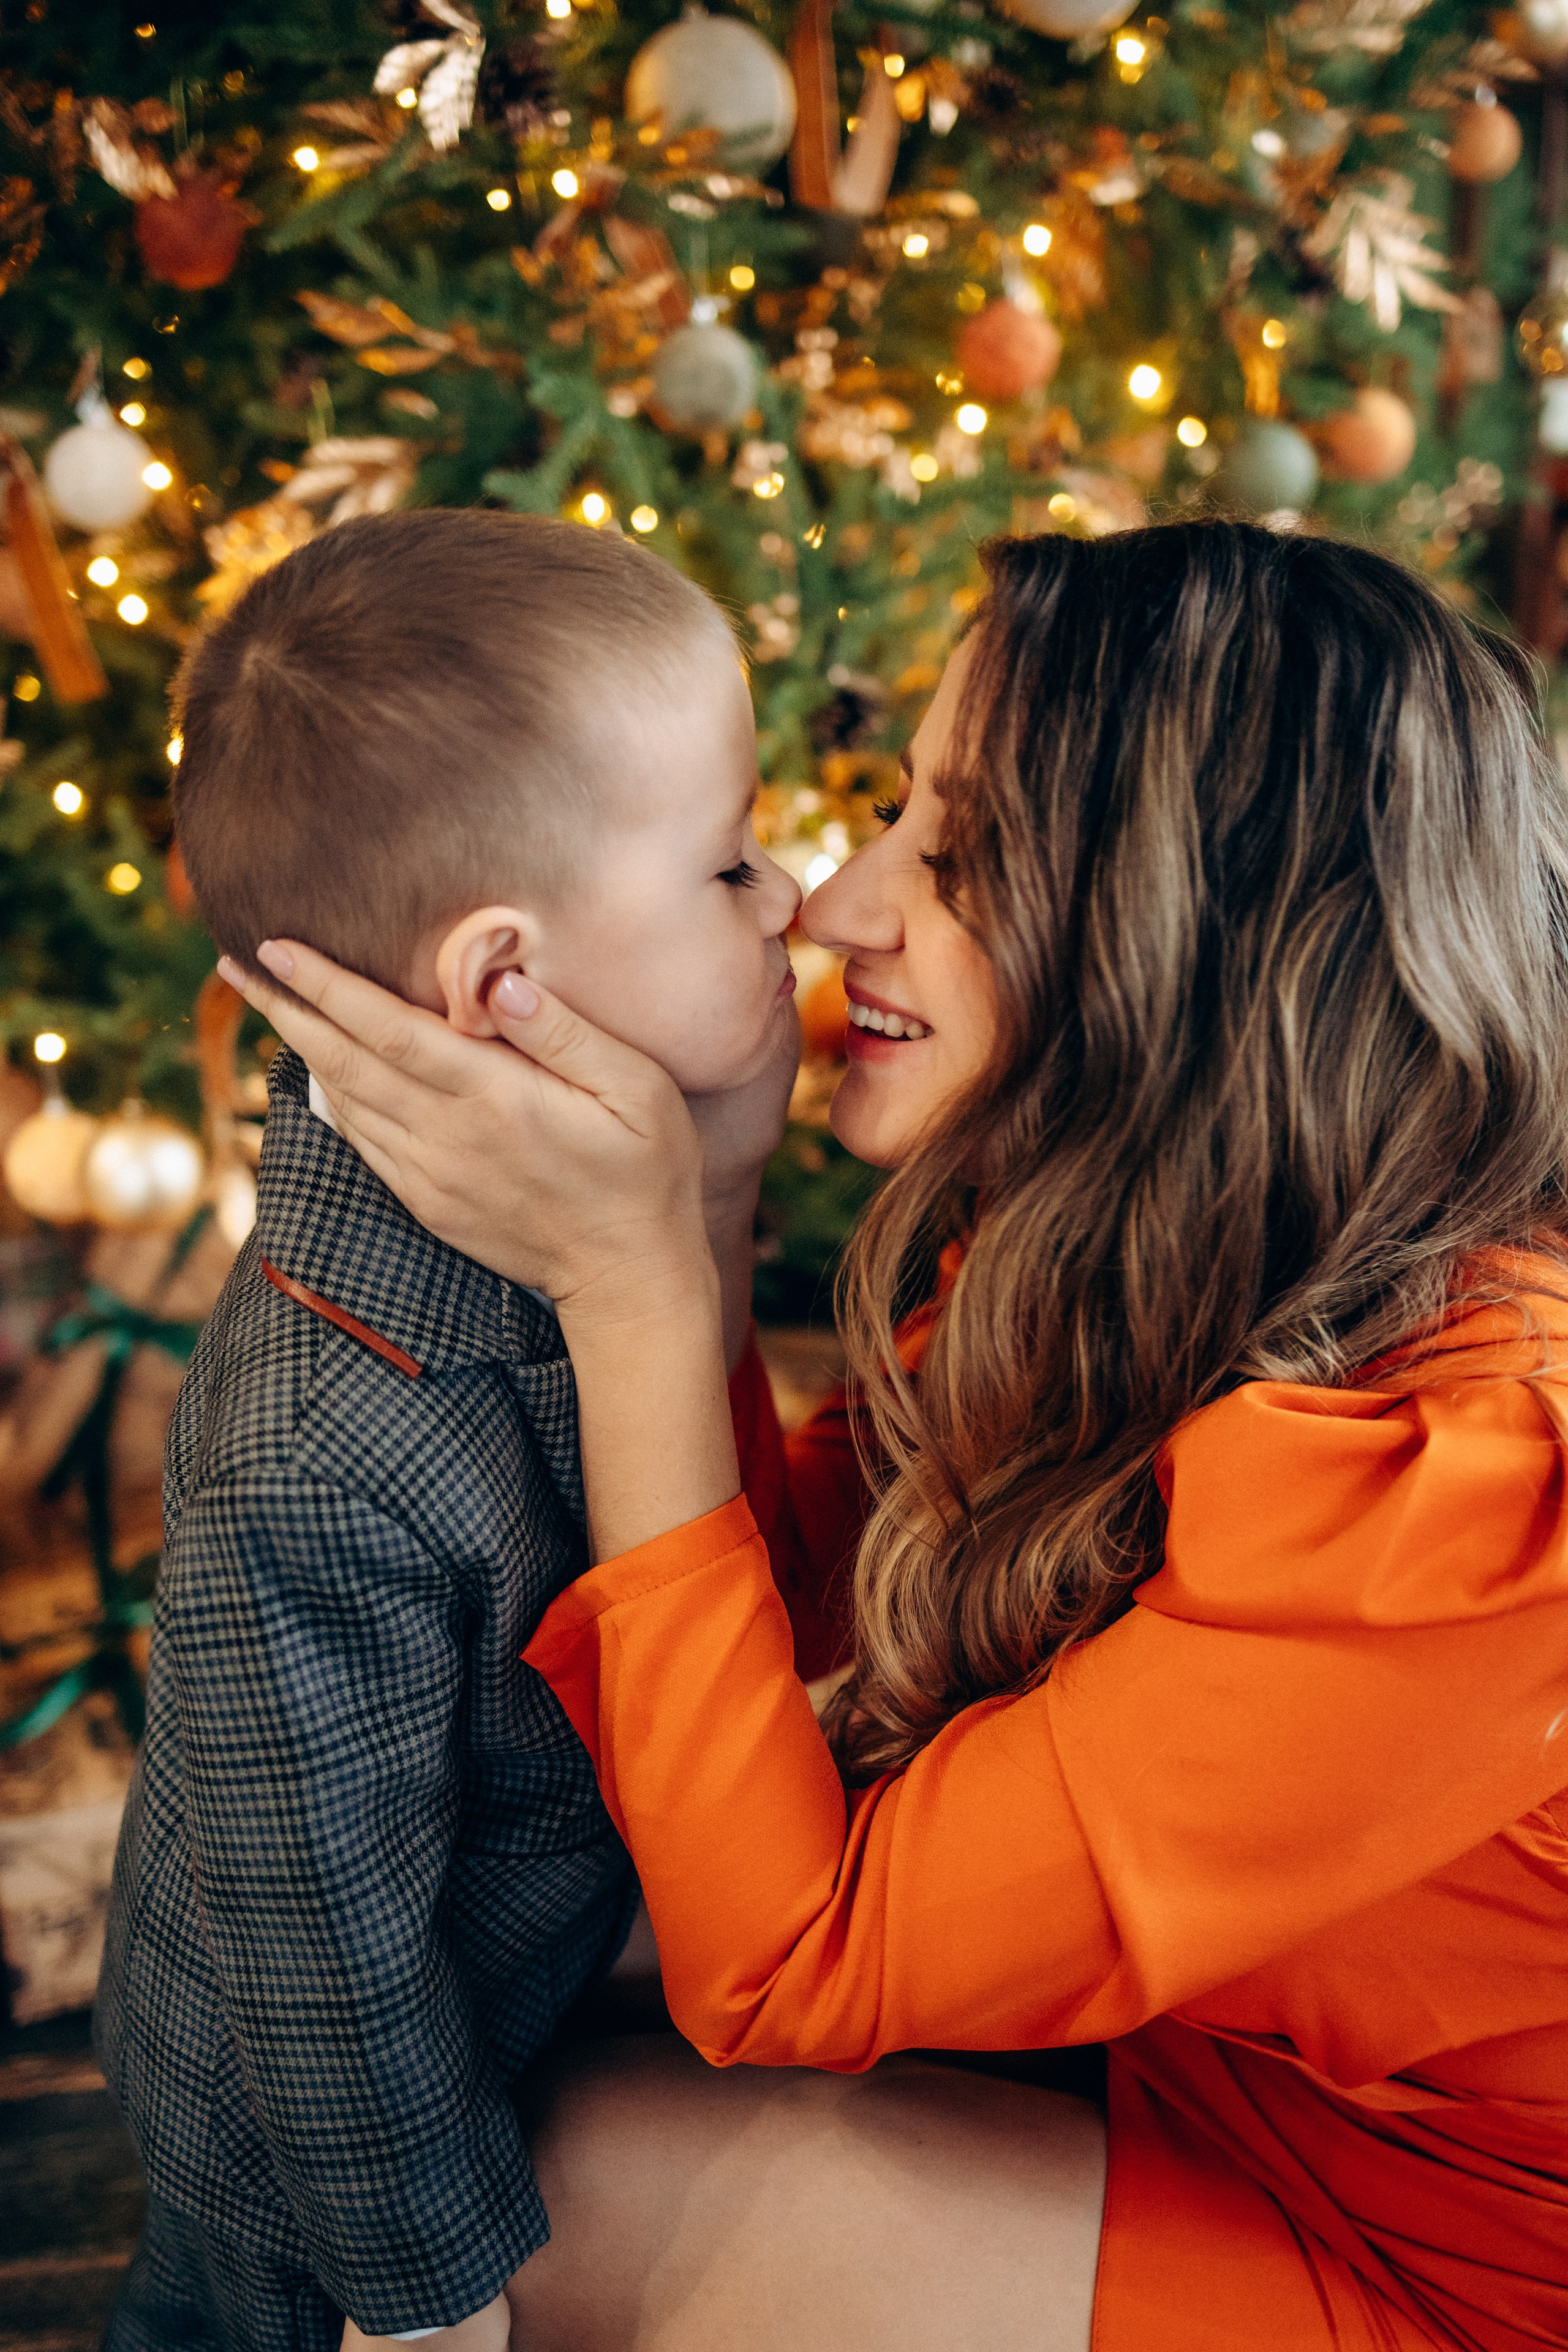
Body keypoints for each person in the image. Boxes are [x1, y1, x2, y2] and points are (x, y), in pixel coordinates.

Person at [227, 519, 1568, 2352]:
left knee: (532, 2201)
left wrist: (630, 1298)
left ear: (1196, 943)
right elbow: (808, 1659)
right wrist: (699, 1210)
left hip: (1446, 2274)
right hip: (1206, 2085)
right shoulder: (1148, 1250)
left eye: (958, 856)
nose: (829, 902)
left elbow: (782, 1959)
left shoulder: (1471, 1506)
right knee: (508, 1973)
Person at [97, 508, 803, 2352]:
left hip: (539, 1957)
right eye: (729, 867)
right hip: (316, 2178)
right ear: (509, 989)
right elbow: (318, 1954)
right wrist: (435, 2310)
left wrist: (715, 1202)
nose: (794, 892)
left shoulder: (549, 1219)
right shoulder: (317, 1446)